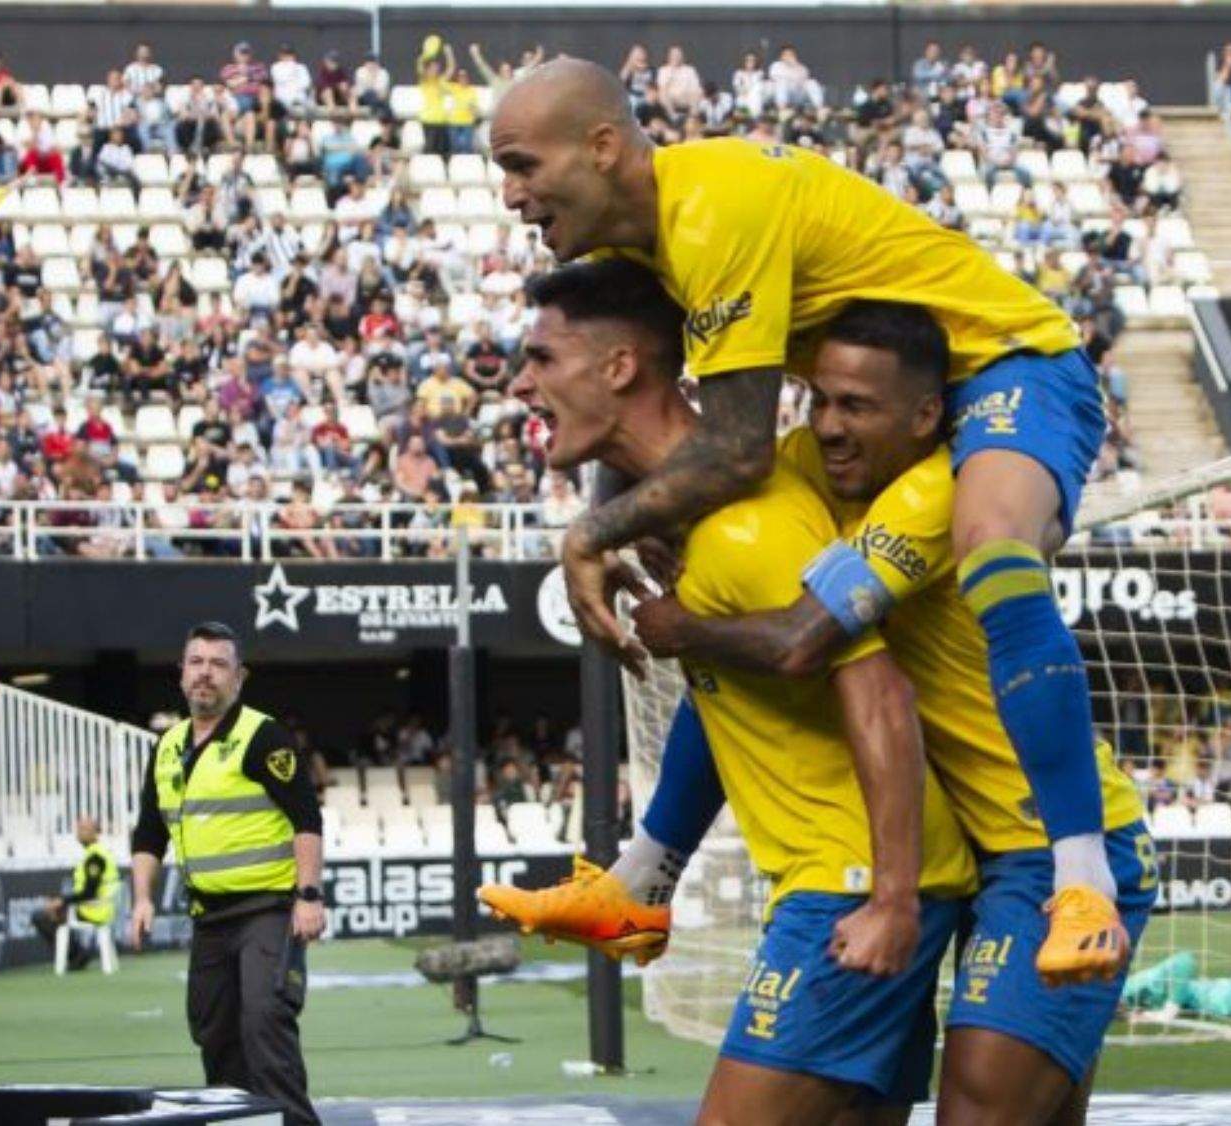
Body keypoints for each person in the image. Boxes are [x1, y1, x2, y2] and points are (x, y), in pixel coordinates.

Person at [490, 60, 1129, 981]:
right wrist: (640, 527)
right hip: (868, 416)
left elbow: (741, 446)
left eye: (521, 165)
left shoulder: (715, 209)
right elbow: (650, 421)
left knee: (990, 550)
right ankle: (641, 877)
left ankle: (1082, 877)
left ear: (600, 146)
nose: (511, 195)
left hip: (1002, 369)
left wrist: (593, 537)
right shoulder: (644, 254)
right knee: (735, 586)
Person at [613, 297, 1156, 1122]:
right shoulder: (812, 470)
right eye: (819, 400)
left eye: (857, 406)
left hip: (1042, 846)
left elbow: (800, 642)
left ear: (927, 415)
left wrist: (683, 620)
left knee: (979, 1109)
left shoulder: (946, 490)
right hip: (957, 850)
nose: (828, 426)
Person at [481, 262, 979, 1123]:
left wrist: (890, 896)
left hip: (852, 887)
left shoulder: (746, 528)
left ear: (620, 367)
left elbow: (880, 695)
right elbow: (736, 706)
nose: (520, 382)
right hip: (853, 879)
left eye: (542, 358)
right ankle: (636, 882)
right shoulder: (695, 519)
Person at [129, 623, 324, 1126]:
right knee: (214, 1034)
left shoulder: (262, 735)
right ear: (181, 674)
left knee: (264, 1023)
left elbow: (306, 817)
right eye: (196, 662)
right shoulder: (167, 746)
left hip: (268, 910)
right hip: (209, 920)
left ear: (239, 677)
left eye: (218, 664)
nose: (205, 674)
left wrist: (309, 895)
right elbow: (150, 833)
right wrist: (142, 900)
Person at [30, 817, 119, 971]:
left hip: (94, 910)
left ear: (96, 833)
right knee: (54, 910)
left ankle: (76, 955)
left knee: (42, 916)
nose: (79, 834)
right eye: (78, 829)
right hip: (99, 907)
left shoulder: (95, 857)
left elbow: (90, 892)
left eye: (84, 830)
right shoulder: (98, 853)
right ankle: (77, 953)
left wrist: (63, 902)